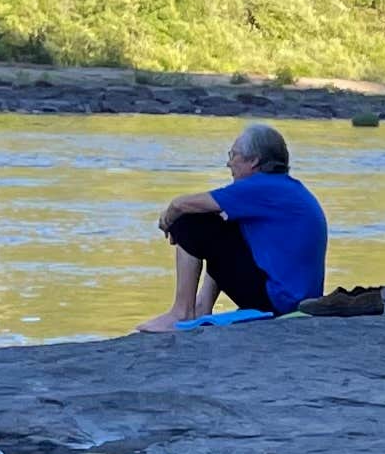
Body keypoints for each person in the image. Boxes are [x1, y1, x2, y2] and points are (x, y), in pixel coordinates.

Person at [141, 121, 329, 331]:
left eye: (233, 155)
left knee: (189, 222)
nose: (228, 164)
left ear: (254, 161)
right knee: (222, 227)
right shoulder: (282, 187)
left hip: (280, 300)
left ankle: (181, 312)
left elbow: (184, 204)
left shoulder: (261, 187)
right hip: (294, 298)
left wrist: (171, 221)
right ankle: (201, 307)